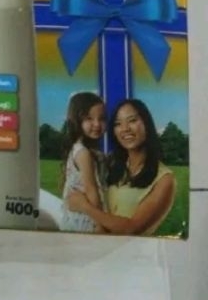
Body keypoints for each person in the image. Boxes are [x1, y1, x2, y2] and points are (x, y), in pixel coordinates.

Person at [67, 98, 175, 236]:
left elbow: (131, 228)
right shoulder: (112, 165)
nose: (125, 129)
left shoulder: (165, 179)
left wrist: (85, 207)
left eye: (132, 120)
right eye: (118, 124)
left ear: (146, 124)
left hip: (130, 248)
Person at [60, 91, 107, 233]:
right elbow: (92, 190)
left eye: (102, 118)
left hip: (74, 220)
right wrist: (100, 225)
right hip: (85, 222)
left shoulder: (78, 149)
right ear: (77, 120)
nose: (97, 124)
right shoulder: (83, 153)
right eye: (89, 118)